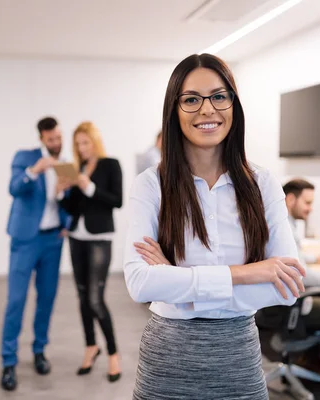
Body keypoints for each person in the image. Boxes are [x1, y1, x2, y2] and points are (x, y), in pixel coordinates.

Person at [123, 53, 306, 399]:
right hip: (168, 361)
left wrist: (179, 284)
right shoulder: (151, 185)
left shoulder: (262, 184)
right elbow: (139, 282)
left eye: (219, 96)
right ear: (174, 110)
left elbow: (288, 285)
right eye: (191, 99)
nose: (207, 109)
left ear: (233, 106)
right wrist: (248, 273)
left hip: (238, 357)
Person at [1, 116, 69, 392]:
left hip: (53, 240)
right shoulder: (25, 157)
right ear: (41, 138)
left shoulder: (66, 165)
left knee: (47, 298)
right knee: (16, 300)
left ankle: (40, 350)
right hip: (25, 239)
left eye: (58, 138)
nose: (56, 143)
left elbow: (70, 203)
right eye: (51, 139)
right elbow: (14, 188)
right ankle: (8, 361)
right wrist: (34, 171)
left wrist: (66, 213)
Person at [56, 121, 123, 382]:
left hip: (99, 237)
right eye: (78, 144)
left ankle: (113, 353)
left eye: (85, 142)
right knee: (83, 296)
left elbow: (117, 200)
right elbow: (73, 207)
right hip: (76, 236)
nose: (82, 148)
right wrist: (61, 192)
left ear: (95, 141)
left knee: (96, 298)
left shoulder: (110, 165)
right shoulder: (78, 168)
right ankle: (90, 347)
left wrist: (88, 186)